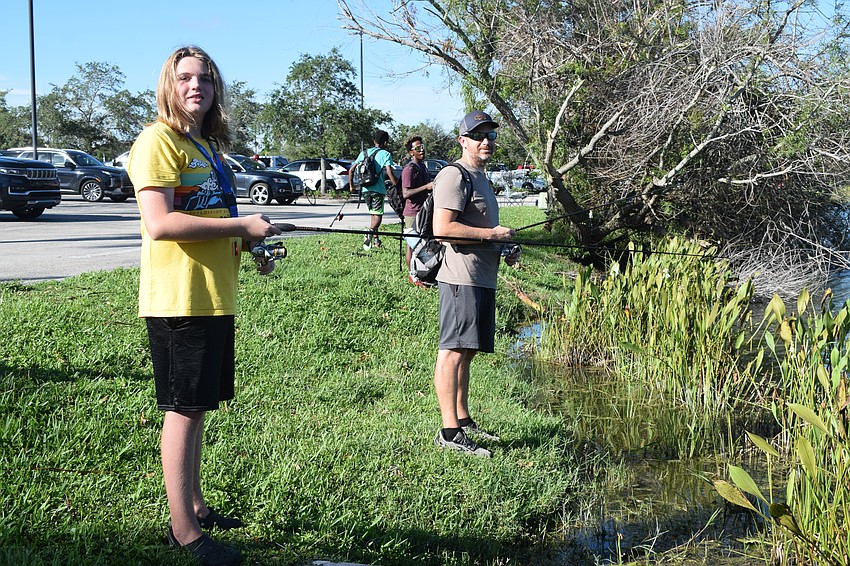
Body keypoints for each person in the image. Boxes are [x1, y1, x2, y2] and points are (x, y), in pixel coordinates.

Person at [127, 45, 281, 566]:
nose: (196, 87)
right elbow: (161, 224)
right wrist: (241, 225)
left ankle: (194, 504)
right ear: (168, 85)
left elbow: (212, 215)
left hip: (215, 295)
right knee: (183, 408)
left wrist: (250, 245)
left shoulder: (206, 147)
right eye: (185, 78)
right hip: (180, 297)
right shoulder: (157, 140)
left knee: (198, 407)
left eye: (206, 80)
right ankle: (183, 530)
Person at [431, 111, 521, 458]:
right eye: (479, 135)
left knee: (467, 352)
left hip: (482, 276)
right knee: (452, 351)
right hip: (460, 278)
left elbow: (481, 228)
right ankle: (449, 432)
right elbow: (443, 228)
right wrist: (490, 234)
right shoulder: (454, 176)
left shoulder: (481, 177)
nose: (487, 142)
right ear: (463, 140)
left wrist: (504, 245)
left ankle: (464, 420)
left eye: (491, 136)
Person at [348, 129, 398, 250]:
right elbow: (389, 171)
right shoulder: (385, 154)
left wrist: (351, 186)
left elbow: (351, 170)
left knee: (373, 214)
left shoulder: (364, 153)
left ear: (374, 140)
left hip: (365, 189)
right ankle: (370, 232)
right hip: (378, 189)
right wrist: (396, 184)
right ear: (385, 143)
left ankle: (376, 241)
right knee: (378, 216)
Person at [400, 135, 434, 286]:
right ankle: (413, 277)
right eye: (418, 148)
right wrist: (426, 187)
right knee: (412, 245)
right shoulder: (409, 169)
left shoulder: (423, 166)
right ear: (411, 152)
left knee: (423, 244)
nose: (422, 150)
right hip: (412, 213)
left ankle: (424, 274)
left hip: (424, 211)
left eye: (423, 146)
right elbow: (406, 193)